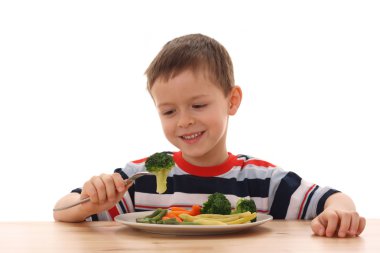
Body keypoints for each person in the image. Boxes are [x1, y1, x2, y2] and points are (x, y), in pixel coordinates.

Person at [53, 33, 366, 238]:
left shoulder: (262, 181)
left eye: (198, 105)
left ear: (231, 101)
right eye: (169, 112)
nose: (185, 121)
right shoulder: (140, 177)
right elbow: (61, 210)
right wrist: (89, 201)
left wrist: (340, 212)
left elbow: (332, 199)